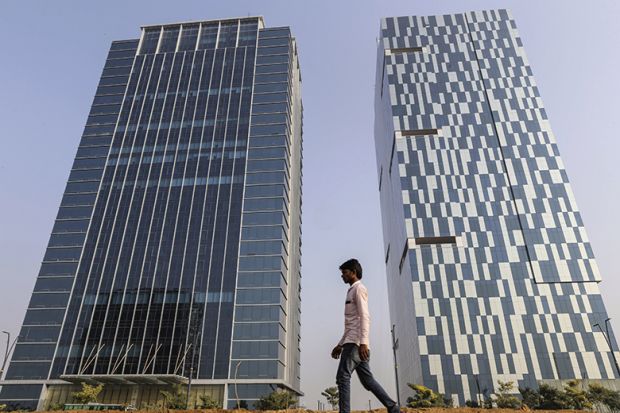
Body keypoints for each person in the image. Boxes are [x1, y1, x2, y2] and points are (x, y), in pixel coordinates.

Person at [331, 258, 399, 413]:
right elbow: (351, 323)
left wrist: (364, 343)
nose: (342, 276)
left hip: (356, 344)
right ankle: (393, 408)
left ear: (353, 272)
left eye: (345, 273)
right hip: (353, 341)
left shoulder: (359, 289)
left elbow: (364, 316)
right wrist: (340, 344)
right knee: (368, 381)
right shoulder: (351, 290)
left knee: (343, 376)